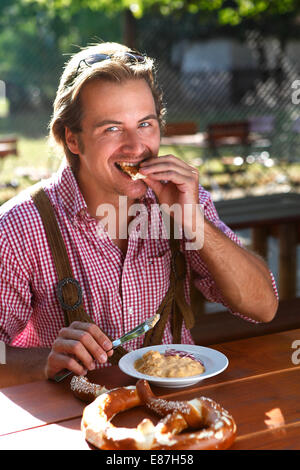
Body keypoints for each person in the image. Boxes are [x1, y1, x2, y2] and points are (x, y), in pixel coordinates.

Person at [0, 42, 278, 387]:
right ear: (72, 139)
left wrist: (193, 222)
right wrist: (45, 360)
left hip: (174, 411)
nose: (135, 146)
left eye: (145, 123)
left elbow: (263, 306)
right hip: (73, 422)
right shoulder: (19, 226)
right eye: (112, 129)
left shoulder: (182, 202)